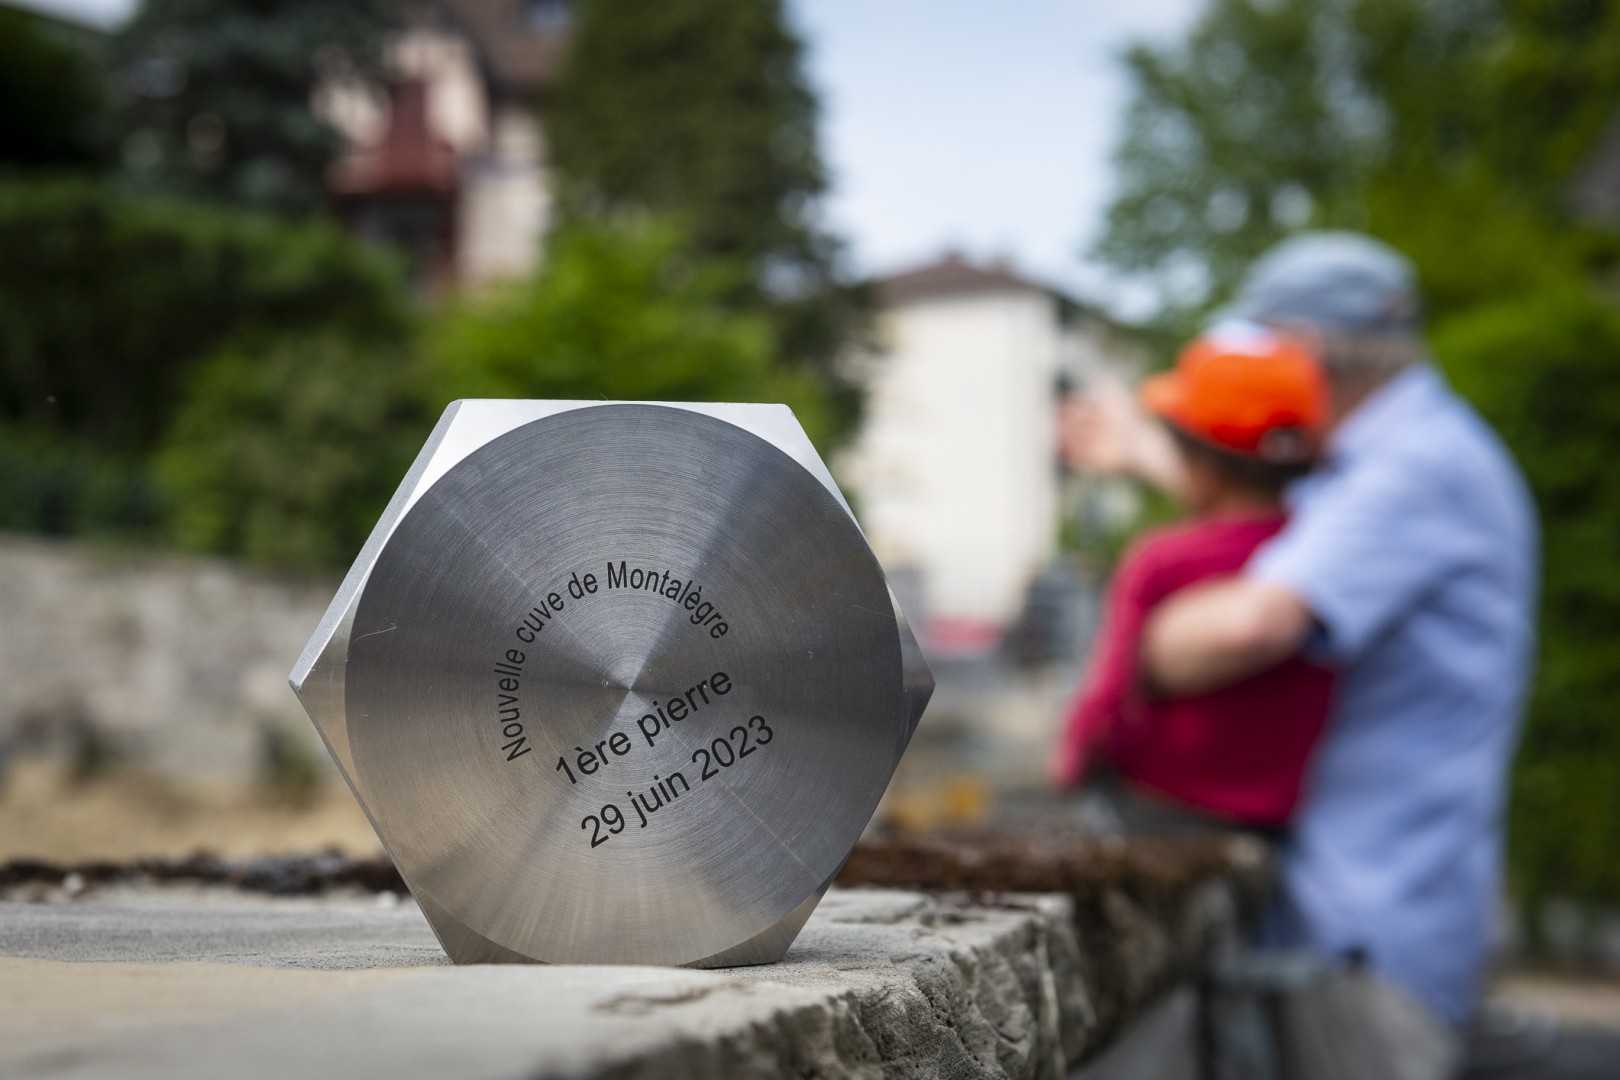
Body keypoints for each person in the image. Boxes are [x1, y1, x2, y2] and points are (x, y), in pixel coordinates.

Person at [1064, 232, 1538, 1050]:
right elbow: (1262, 510)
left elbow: (1256, 621)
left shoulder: (1413, 470)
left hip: (1369, 942)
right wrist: (1146, 452)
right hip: (1357, 915)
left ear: (1307, 350)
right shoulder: (1399, 453)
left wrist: (1131, 637)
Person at [1055, 322, 1335, 835]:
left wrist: (1074, 761)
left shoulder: (1161, 559)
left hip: (1161, 805)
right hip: (1275, 815)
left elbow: (1110, 697)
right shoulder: (1322, 551)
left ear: (1200, 468)